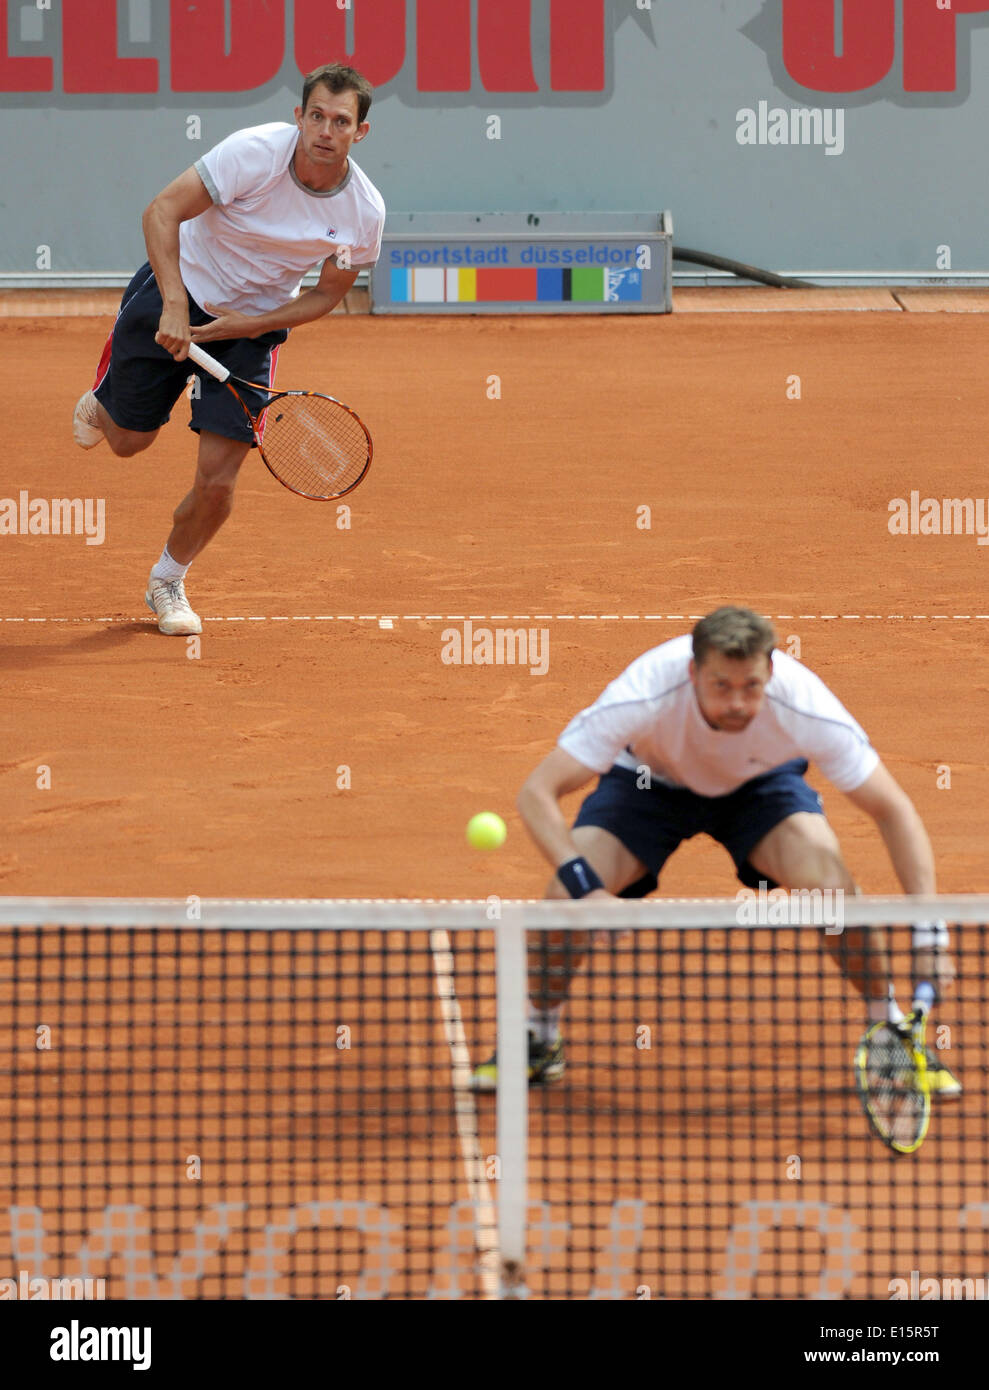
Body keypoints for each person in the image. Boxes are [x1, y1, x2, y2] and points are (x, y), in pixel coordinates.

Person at [470, 606, 959, 1093]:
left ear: (769, 671)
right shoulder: (646, 691)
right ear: (692, 672)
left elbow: (893, 809)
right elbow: (537, 792)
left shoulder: (803, 702)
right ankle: (538, 1032)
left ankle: (890, 1029)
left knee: (830, 890)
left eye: (751, 686)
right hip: (648, 785)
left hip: (759, 787)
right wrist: (588, 892)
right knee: (563, 901)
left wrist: (930, 936)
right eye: (721, 686)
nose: (738, 703)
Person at [73, 63, 385, 635]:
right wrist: (173, 305)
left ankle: (167, 580)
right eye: (316, 115)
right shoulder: (252, 154)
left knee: (217, 485)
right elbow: (161, 211)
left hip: (252, 329)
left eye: (340, 121)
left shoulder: (364, 211)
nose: (325, 130)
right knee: (127, 443)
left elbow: (326, 295)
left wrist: (250, 325)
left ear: (359, 132)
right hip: (178, 285)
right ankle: (103, 396)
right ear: (299, 115)